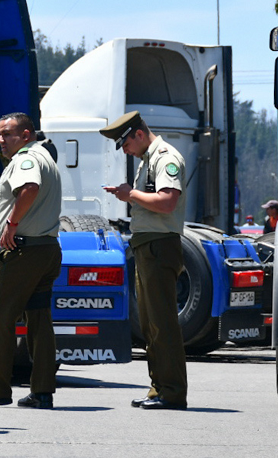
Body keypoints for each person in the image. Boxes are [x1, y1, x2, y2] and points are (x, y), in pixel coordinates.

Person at [0, 112, 63, 409]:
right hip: (46, 249)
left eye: (7, 134)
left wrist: (11, 224)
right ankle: (42, 391)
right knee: (39, 320)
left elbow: (29, 189)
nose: (1, 141)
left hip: (24, 252)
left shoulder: (26, 159)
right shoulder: (46, 157)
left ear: (26, 135)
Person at [100, 111, 188, 410]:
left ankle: (172, 391)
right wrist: (130, 195)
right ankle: (160, 387)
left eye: (125, 143)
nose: (124, 149)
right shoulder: (149, 160)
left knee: (162, 322)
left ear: (138, 134)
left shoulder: (165, 157)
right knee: (151, 324)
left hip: (159, 245)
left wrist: (131, 195)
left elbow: (167, 201)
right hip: (149, 245)